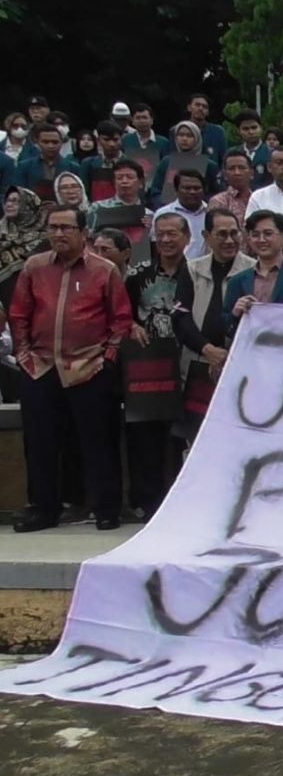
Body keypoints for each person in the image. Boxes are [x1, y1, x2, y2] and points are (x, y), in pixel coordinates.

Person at [8, 205, 131, 532]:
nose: (59, 234)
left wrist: (108, 358)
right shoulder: (34, 267)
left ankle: (106, 508)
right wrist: (23, 353)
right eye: (53, 228)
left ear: (82, 233)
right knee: (40, 442)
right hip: (41, 366)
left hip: (88, 365)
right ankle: (43, 510)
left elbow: (120, 319)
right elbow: (19, 314)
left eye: (66, 228)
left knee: (98, 441)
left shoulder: (104, 270)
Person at [124, 211, 189, 517]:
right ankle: (147, 501)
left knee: (179, 436)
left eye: (172, 233)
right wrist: (130, 327)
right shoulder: (138, 274)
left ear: (187, 237)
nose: (165, 239)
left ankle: (178, 502)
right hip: (148, 363)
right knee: (146, 434)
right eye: (160, 234)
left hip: (186, 363)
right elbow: (122, 313)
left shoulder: (196, 272)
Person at [172, 207, 254, 379]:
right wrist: (207, 349)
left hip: (240, 362)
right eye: (222, 234)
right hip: (198, 358)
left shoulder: (254, 269)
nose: (230, 240)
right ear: (206, 236)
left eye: (234, 233)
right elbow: (181, 317)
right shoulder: (192, 269)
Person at [148, 121, 221, 206]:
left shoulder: (209, 165)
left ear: (197, 138)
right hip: (168, 211)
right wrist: (164, 207)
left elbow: (216, 193)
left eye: (189, 136)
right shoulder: (166, 162)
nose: (184, 139)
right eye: (181, 135)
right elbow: (156, 190)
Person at [0, 186, 46, 308]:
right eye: (7, 201)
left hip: (38, 300)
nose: (9, 204)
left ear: (29, 204)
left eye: (16, 201)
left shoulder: (45, 238)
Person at [14, 123, 82, 203]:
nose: (50, 146)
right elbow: (19, 193)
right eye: (45, 142)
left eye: (55, 142)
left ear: (61, 143)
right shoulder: (24, 166)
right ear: (37, 142)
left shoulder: (73, 167)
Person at [152, 169, 207, 259]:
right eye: (187, 188)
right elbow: (156, 244)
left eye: (196, 188)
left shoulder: (211, 213)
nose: (192, 192)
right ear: (176, 190)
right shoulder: (163, 213)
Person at [86, 159, 152, 232]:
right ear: (114, 182)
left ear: (141, 183)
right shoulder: (97, 208)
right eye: (119, 178)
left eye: (130, 177)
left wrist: (151, 228)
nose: (124, 181)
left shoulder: (149, 214)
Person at [78, 121, 126, 202]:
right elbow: (83, 192)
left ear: (121, 140)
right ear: (98, 140)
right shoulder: (88, 164)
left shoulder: (130, 164)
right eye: (106, 139)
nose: (112, 144)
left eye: (115, 139)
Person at [208, 150, 255, 225]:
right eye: (232, 168)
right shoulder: (218, 201)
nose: (237, 172)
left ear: (252, 173)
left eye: (242, 168)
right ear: (225, 175)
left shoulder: (258, 198)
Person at [229, 109, 271, 190]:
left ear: (261, 128)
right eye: (245, 129)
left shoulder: (271, 153)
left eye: (254, 128)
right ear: (238, 131)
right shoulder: (231, 154)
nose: (251, 132)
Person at [179, 93, 226, 161]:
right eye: (197, 105)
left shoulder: (218, 132)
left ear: (208, 112)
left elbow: (224, 160)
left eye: (204, 107)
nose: (201, 108)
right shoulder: (178, 130)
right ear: (189, 107)